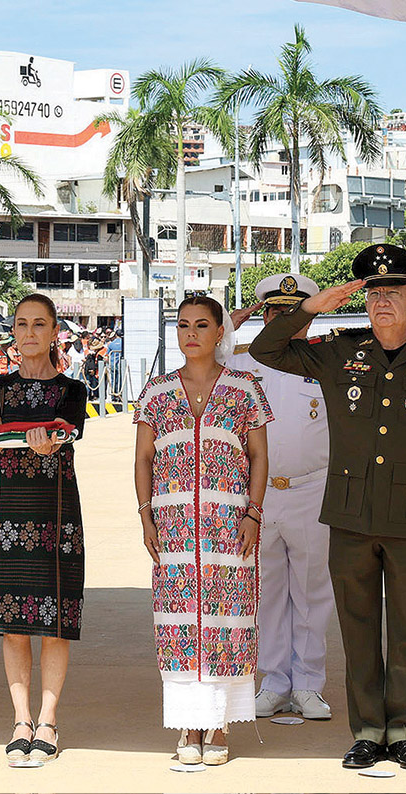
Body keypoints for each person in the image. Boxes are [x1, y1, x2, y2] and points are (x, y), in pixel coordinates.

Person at [249, 244, 406, 772]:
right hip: (350, 515)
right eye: (373, 294)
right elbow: (266, 349)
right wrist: (313, 306)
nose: (382, 302)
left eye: (394, 292)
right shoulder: (338, 351)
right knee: (358, 628)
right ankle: (368, 731)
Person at [134, 295, 269, 766]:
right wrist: (146, 515)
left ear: (219, 332)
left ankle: (219, 725)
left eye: (201, 325)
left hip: (229, 528)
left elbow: (259, 457)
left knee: (225, 620)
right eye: (183, 325)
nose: (191, 333)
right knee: (179, 621)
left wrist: (253, 514)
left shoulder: (245, 389)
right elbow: (144, 459)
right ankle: (188, 726)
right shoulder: (157, 392)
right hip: (173, 529)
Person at [0, 294, 88, 764]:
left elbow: (66, 433)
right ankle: (20, 721)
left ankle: (48, 720)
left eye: (39, 324)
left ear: (55, 332)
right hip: (8, 512)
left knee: (54, 624)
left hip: (56, 512)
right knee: (13, 625)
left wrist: (47, 442)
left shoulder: (73, 390)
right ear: (13, 331)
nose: (29, 333)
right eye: (22, 324)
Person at [228, 273, 335, 721]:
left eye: (294, 313)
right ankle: (273, 681)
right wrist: (228, 326)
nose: (284, 321)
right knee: (267, 592)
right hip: (259, 493)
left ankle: (308, 685)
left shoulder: (327, 360)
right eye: (275, 313)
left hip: (311, 489)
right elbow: (196, 360)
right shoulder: (240, 361)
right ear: (264, 316)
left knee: (312, 593)